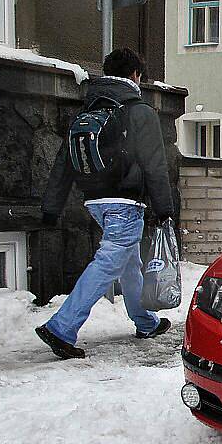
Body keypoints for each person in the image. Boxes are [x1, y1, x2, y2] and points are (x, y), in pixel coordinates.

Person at [35, 48, 174, 359]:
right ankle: (62, 326)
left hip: (95, 201)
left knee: (127, 262)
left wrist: (51, 208)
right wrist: (164, 209)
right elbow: (155, 164)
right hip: (125, 201)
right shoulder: (139, 111)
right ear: (135, 75)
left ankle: (145, 321)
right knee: (109, 261)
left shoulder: (87, 111)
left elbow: (63, 162)